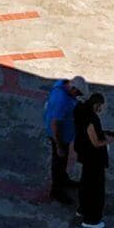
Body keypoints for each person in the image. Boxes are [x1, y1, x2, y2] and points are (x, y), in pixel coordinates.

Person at [74, 92, 114, 228]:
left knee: (86, 185)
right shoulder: (91, 120)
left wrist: (105, 133)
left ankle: (82, 210)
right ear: (97, 105)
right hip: (93, 160)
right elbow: (96, 143)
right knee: (95, 190)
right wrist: (111, 140)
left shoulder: (84, 115)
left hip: (87, 158)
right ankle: (92, 219)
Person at [43, 74, 85, 204]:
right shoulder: (62, 101)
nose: (77, 97)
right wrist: (59, 145)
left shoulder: (61, 84)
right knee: (58, 162)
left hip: (64, 135)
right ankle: (56, 191)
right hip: (60, 137)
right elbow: (55, 125)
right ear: (73, 89)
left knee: (63, 160)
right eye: (77, 94)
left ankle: (64, 180)